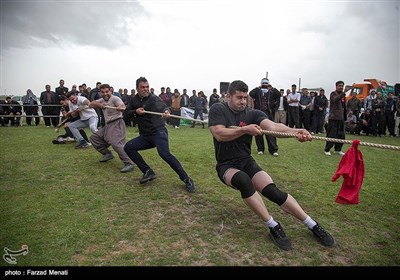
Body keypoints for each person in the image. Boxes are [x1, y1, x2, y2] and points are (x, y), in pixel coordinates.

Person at [208, 80, 335, 251]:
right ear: (228, 96)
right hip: (226, 165)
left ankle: (312, 224)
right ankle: (273, 225)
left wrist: (295, 132)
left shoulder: (253, 114)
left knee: (272, 191)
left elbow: (274, 127)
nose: (243, 101)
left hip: (246, 161)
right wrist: (244, 130)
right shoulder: (219, 109)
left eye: (245, 98)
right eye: (239, 97)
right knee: (243, 181)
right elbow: (219, 134)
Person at [124, 77, 196, 193]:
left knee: (164, 153)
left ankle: (186, 179)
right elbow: (125, 114)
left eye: (147, 87)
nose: (146, 89)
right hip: (146, 135)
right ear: (137, 88)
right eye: (143, 87)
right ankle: (147, 171)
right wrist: (135, 111)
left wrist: (167, 113)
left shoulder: (154, 99)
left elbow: (165, 108)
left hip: (158, 132)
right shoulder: (134, 101)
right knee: (128, 147)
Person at [89, 84, 134, 173]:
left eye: (107, 92)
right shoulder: (102, 100)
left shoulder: (115, 98)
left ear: (110, 91)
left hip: (117, 123)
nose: (105, 94)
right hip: (108, 125)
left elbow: (122, 106)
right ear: (100, 93)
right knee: (94, 138)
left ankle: (128, 163)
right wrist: (100, 105)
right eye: (103, 92)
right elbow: (91, 104)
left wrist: (120, 107)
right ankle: (107, 153)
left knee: (115, 143)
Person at [249, 78, 280, 156]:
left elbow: (279, 94)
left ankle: (273, 150)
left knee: (271, 131)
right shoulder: (257, 91)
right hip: (258, 113)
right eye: (263, 83)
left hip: (268, 113)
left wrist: (271, 87)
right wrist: (259, 87)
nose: (265, 85)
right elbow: (250, 93)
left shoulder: (271, 92)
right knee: (259, 131)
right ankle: (260, 149)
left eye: (266, 83)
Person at [324, 81, 346, 156]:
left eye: (342, 86)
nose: (341, 87)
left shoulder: (343, 95)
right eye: (339, 86)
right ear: (336, 86)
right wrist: (344, 92)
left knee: (341, 135)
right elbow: (335, 100)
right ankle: (327, 149)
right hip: (333, 117)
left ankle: (338, 149)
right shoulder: (333, 94)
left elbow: (343, 107)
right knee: (331, 134)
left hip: (341, 118)